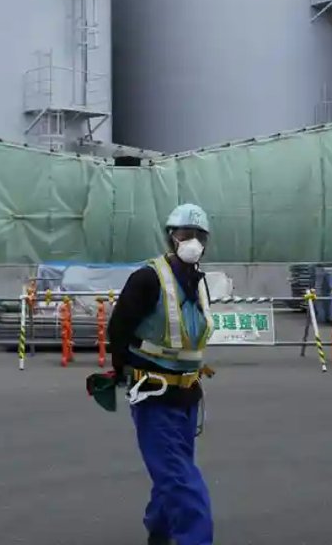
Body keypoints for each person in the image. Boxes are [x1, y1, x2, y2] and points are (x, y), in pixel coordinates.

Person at [107, 203, 215, 545]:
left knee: (173, 472)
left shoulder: (199, 282)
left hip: (188, 396)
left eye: (199, 236)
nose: (193, 241)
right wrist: (124, 371)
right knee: (181, 481)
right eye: (185, 234)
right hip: (155, 396)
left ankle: (159, 530)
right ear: (171, 237)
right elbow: (118, 329)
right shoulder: (147, 278)